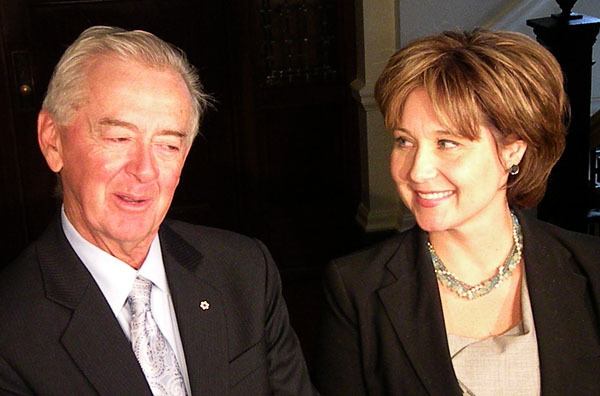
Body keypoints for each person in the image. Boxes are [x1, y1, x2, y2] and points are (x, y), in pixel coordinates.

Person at [0, 26, 316, 395]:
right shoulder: (10, 330)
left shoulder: (244, 270)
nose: (145, 170)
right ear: (53, 141)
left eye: (167, 145)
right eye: (119, 138)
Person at [314, 29, 600, 395]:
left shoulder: (591, 270)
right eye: (404, 141)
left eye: (447, 143)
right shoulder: (356, 288)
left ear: (513, 149)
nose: (417, 170)